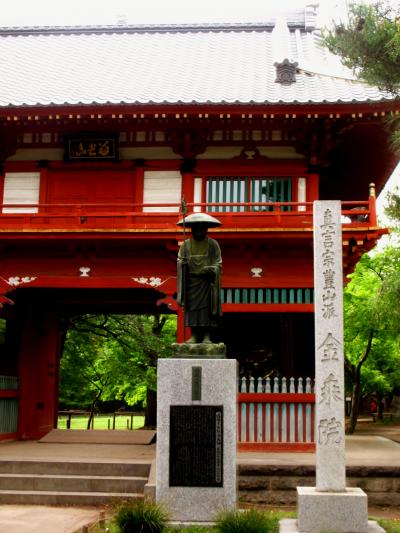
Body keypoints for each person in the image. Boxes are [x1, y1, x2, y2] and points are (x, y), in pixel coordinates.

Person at [177, 213, 222, 344]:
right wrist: (182, 263)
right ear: (191, 229)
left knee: (207, 309)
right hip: (191, 281)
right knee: (192, 308)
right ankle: (194, 335)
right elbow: (179, 260)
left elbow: (218, 263)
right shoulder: (185, 245)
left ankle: (207, 336)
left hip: (207, 282)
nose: (200, 231)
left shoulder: (213, 244)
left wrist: (211, 269)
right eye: (197, 228)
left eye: (202, 228)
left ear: (207, 229)